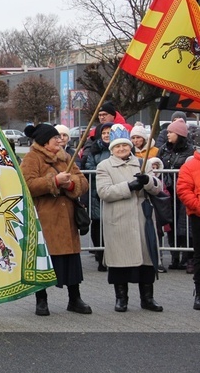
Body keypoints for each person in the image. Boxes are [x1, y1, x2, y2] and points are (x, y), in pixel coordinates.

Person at [21, 124, 91, 316]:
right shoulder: (31, 158)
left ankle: (74, 298)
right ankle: (41, 300)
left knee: (71, 260)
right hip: (45, 216)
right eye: (55, 138)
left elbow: (82, 181)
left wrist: (71, 185)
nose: (60, 141)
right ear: (45, 141)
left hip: (67, 217)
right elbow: (27, 184)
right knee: (45, 260)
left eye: (60, 138)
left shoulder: (66, 157)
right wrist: (54, 181)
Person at [96, 124, 164, 313]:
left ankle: (147, 298)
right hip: (119, 219)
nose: (122, 149)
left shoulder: (144, 164)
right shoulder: (104, 166)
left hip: (142, 218)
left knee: (146, 260)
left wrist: (147, 181)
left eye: (125, 146)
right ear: (112, 149)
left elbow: (158, 187)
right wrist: (129, 186)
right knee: (120, 262)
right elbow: (104, 191)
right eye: (117, 147)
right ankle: (121, 298)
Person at [158, 119, 196, 272]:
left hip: (184, 192)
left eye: (171, 132)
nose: (168, 135)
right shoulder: (164, 149)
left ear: (179, 134)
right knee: (171, 224)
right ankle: (174, 256)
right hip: (168, 191)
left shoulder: (190, 151)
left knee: (186, 225)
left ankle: (188, 258)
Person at [84, 122, 113, 272]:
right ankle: (100, 255)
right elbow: (88, 166)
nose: (107, 135)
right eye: (104, 133)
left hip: (113, 192)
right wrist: (104, 170)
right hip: (97, 192)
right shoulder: (94, 150)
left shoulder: (119, 149)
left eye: (109, 132)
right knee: (97, 224)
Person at [176, 144, 200, 310]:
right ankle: (199, 292)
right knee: (199, 255)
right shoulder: (190, 165)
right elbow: (183, 189)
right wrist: (198, 207)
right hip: (198, 215)